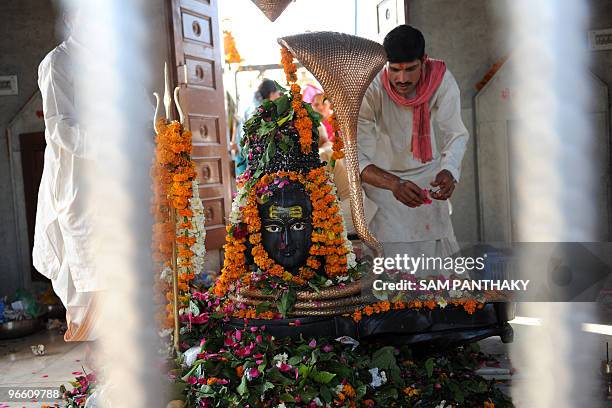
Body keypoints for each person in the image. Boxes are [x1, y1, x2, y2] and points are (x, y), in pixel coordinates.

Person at [357, 24, 469, 266]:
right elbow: (357, 155)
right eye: (395, 70)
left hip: (427, 179)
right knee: (390, 272)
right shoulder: (372, 84)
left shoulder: (440, 78)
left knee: (438, 274)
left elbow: (456, 132)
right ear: (385, 65)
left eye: (410, 69)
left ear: (424, 61)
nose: (402, 78)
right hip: (384, 186)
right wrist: (394, 184)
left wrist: (450, 170)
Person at [33, 8, 101, 342]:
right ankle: (92, 343)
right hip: (77, 176)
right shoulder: (57, 63)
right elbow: (60, 127)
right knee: (85, 263)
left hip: (113, 177)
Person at [231, 78, 281, 176]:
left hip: (244, 151)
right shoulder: (263, 111)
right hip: (254, 155)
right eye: (278, 93)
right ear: (271, 94)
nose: (279, 96)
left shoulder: (251, 107)